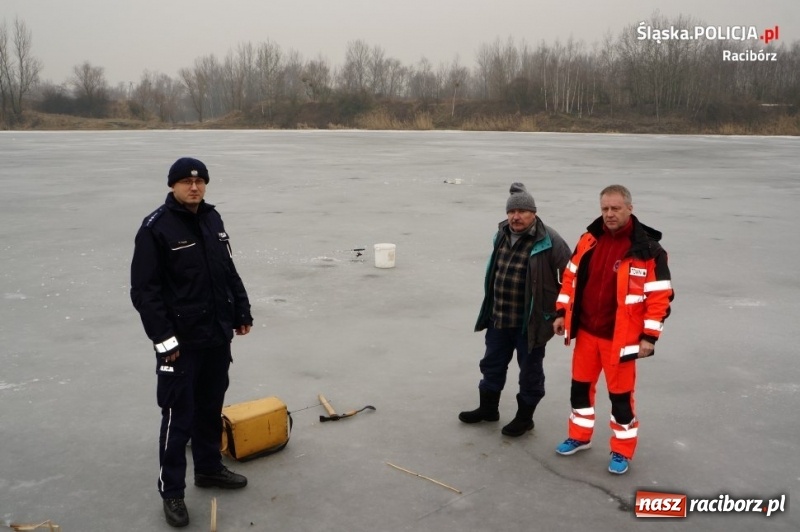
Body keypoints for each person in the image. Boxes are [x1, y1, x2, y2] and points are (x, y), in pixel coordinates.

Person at [130, 157, 253, 527]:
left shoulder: (213, 219)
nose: (194, 187)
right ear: (173, 186)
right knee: (176, 416)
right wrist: (164, 341)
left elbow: (227, 269)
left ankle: (209, 468)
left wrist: (241, 312)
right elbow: (144, 293)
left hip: (215, 335)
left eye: (199, 182)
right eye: (185, 182)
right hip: (180, 343)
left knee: (209, 407)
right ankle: (172, 493)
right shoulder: (155, 228)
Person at [553, 184, 673, 475]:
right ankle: (579, 437)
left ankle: (622, 451)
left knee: (621, 399)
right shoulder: (589, 240)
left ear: (630, 208)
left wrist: (649, 337)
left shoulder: (648, 250)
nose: (609, 214)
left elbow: (659, 297)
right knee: (580, 391)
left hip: (622, 340)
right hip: (586, 334)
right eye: (605, 208)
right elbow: (570, 280)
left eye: (615, 208)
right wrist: (561, 313)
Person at [460, 183, 571, 436]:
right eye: (512, 211)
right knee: (491, 364)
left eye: (522, 211)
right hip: (500, 317)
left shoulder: (550, 240)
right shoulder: (500, 234)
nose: (515, 216)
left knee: (530, 372)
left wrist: (562, 313)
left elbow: (571, 279)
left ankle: (525, 418)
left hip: (529, 322)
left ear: (534, 212)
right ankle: (488, 409)